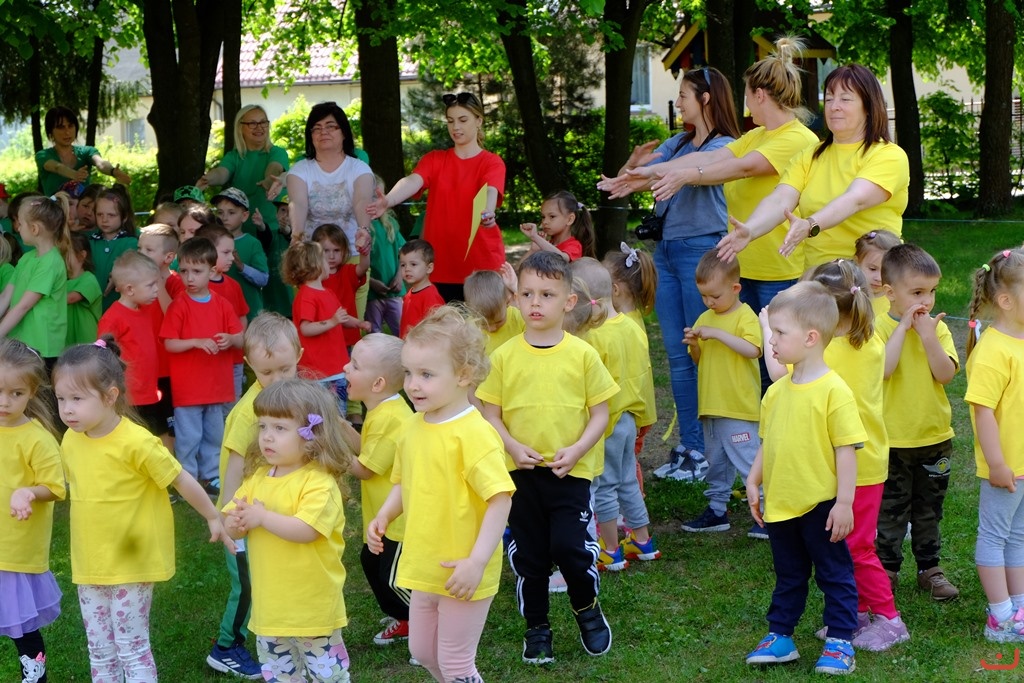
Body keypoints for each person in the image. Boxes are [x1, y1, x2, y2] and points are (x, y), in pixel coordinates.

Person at [55, 339, 234, 682]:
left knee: (131, 647)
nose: (67, 409)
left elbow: (180, 478)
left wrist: (213, 516)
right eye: (61, 399)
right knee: (99, 649)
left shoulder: (138, 442)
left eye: (77, 399)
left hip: (132, 561)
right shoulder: (71, 440)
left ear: (110, 396)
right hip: (90, 561)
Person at [600, 37, 817, 315]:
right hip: (743, 266)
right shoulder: (756, 135)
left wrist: (685, 176)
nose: (746, 103)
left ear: (760, 95)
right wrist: (652, 170)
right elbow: (711, 158)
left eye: (747, 95)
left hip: (778, 271)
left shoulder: (797, 138)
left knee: (776, 344)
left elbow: (742, 167)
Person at [477, 251, 618, 664]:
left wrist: (577, 450)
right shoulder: (503, 357)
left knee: (570, 547)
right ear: (515, 298)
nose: (535, 303)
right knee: (530, 555)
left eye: (546, 294)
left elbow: (601, 413)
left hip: (570, 473)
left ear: (568, 302)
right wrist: (510, 445)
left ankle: (586, 608)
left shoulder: (583, 355)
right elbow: (490, 413)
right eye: (527, 294)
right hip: (520, 474)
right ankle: (537, 627)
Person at [764, 260, 910, 650]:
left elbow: (780, 375)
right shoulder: (868, 340)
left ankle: (890, 618)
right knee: (846, 544)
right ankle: (856, 614)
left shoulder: (835, 352)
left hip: (855, 466)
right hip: (860, 461)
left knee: (856, 546)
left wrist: (766, 328)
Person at [607, 66, 741, 482]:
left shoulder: (725, 146)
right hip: (665, 253)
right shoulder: (677, 142)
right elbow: (641, 176)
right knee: (677, 355)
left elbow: (686, 169)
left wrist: (647, 173)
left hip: (701, 253)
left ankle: (713, 453)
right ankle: (691, 447)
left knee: (703, 352)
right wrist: (632, 169)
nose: (678, 101)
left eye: (684, 95)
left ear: (705, 98)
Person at [368, 306, 514, 682]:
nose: (413, 385)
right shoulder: (412, 427)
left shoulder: (475, 434)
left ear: (463, 375)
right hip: (424, 563)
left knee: (456, 662)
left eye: (427, 375)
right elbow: (404, 482)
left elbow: (500, 500)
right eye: (409, 373)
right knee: (423, 652)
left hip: (464, 568)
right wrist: (384, 515)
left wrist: (476, 562)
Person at [745, 282, 863, 675]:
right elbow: (770, 441)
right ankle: (780, 636)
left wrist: (844, 503)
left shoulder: (834, 392)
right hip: (781, 504)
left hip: (822, 505)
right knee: (789, 575)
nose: (772, 341)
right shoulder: (776, 393)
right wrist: (753, 479)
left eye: (780, 332)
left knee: (834, 574)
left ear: (811, 338)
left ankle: (840, 640)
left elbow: (846, 450)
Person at [223, 379, 355, 682]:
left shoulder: (318, 483)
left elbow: (306, 530)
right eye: (263, 426)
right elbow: (234, 520)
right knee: (280, 674)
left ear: (311, 435)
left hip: (312, 608)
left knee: (327, 675)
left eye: (280, 428)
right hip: (271, 608)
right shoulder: (258, 478)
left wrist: (262, 517)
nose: (267, 436)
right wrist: (235, 523)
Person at [718, 64, 910, 270]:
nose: (834, 106)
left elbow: (855, 199)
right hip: (819, 280)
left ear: (868, 106)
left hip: (873, 281)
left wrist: (810, 224)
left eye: (845, 99)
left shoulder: (889, 155)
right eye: (829, 99)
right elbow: (780, 199)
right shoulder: (810, 155)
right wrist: (751, 230)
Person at [207, 312, 302, 679]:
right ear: (249, 365)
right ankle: (227, 646)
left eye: (285, 369)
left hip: (266, 509)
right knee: (246, 585)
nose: (277, 379)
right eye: (267, 372)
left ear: (299, 356)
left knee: (265, 578)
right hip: (241, 515)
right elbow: (234, 466)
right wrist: (229, 518)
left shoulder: (288, 399)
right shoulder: (251, 413)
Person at [875, 244, 960, 601]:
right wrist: (904, 330)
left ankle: (930, 569)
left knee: (928, 511)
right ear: (890, 292)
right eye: (917, 293)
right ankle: (886, 571)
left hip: (933, 437)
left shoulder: (937, 330)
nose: (926, 301)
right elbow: (884, 369)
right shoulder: (877, 328)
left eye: (932, 291)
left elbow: (945, 375)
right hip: (891, 441)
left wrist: (927, 336)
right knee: (890, 512)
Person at [367, 92, 506, 302]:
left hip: (481, 267)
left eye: (463, 120)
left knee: (483, 324)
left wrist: (488, 212)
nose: (455, 127)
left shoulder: (491, 162)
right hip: (439, 266)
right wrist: (388, 200)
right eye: (450, 121)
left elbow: (490, 190)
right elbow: (412, 181)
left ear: (479, 121)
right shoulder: (434, 159)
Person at [570, 258, 659, 572]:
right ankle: (643, 541)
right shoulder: (632, 326)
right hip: (629, 419)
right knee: (627, 481)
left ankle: (610, 550)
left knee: (605, 486)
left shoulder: (591, 337)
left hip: (605, 425)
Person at [965, 248, 1024, 641]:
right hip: (1004, 464)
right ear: (1005, 300)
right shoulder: (992, 351)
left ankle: (1018, 606)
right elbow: (983, 412)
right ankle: (999, 616)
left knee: (1018, 535)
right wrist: (997, 464)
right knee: (995, 535)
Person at [680, 251, 762, 531]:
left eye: (715, 296)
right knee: (716, 462)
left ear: (735, 288)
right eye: (704, 296)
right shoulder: (705, 317)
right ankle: (717, 510)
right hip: (712, 405)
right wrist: (695, 345)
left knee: (748, 460)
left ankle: (767, 512)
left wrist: (716, 334)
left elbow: (753, 350)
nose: (709, 302)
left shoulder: (745, 316)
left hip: (738, 406)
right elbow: (700, 360)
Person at [344, 334, 415, 650]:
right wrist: (339, 425)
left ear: (377, 383)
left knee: (393, 576)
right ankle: (405, 618)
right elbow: (368, 451)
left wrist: (329, 449)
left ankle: (428, 624)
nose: (345, 368)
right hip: (383, 516)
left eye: (355, 365)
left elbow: (365, 468)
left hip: (399, 519)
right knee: (372, 563)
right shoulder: (380, 408)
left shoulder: (391, 418)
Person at [0, 339, 64, 683]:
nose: (4, 401)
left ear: (32, 392)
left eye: (16, 393)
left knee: (20, 622)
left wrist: (28, 492)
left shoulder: (37, 439)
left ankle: (35, 675)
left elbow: (55, 487)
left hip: (14, 549)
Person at [159, 237, 244, 495]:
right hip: (188, 389)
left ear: (212, 270)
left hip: (216, 386)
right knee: (188, 436)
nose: (189, 278)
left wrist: (230, 340)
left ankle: (211, 475)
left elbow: (241, 338)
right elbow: (169, 343)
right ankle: (188, 478)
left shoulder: (222, 304)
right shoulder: (179, 305)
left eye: (197, 271)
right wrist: (195, 342)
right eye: (184, 271)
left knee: (214, 435)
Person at [287, 102, 373, 248]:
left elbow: (362, 201)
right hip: (312, 254)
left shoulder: (360, 168)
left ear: (344, 132)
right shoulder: (299, 170)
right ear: (310, 135)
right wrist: (297, 237)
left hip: (353, 250)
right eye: (317, 128)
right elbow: (298, 204)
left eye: (330, 126)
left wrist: (364, 230)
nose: (323, 132)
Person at [281, 241, 351, 408]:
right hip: (317, 373)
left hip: (336, 368)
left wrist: (360, 323)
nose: (329, 263)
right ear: (315, 264)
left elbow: (341, 317)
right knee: (318, 415)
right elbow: (306, 328)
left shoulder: (328, 292)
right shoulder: (306, 295)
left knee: (338, 413)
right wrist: (333, 321)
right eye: (324, 259)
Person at [0, 195, 69, 360]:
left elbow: (24, 306)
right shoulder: (27, 258)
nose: (17, 228)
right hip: (22, 344)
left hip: (42, 347)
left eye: (20, 224)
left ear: (34, 229)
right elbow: (6, 296)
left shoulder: (50, 262)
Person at [195, 225, 251, 402]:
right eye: (226, 252)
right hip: (206, 362)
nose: (232, 258)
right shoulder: (195, 288)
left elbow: (242, 317)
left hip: (233, 360)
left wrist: (236, 339)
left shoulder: (234, 285)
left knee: (231, 406)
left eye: (232, 253)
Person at [34, 106, 131, 196]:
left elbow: (100, 163)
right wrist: (74, 175)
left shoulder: (86, 151)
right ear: (50, 132)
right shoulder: (42, 155)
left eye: (70, 126)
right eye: (61, 127)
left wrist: (113, 171)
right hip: (55, 209)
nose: (67, 132)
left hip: (84, 209)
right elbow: (56, 167)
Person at [213, 187, 269, 321]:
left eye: (231, 212)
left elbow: (263, 279)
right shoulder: (211, 242)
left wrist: (242, 267)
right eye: (220, 212)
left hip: (250, 316)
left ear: (244, 216)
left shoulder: (252, 243)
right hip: (218, 315)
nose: (224, 217)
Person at [313, 223, 371, 348]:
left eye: (336, 250)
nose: (331, 256)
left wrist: (364, 252)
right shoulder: (312, 277)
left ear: (344, 251)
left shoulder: (347, 271)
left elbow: (363, 267)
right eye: (325, 251)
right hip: (324, 337)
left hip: (347, 338)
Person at [366, 175, 406, 334]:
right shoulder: (359, 227)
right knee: (374, 334)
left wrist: (400, 276)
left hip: (394, 291)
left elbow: (404, 253)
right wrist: (370, 282)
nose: (376, 201)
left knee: (402, 331)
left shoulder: (391, 224)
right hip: (371, 293)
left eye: (380, 195)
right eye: (371, 196)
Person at [90, 188, 139, 311]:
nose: (104, 220)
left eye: (111, 215)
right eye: (100, 214)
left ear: (124, 217)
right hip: (90, 308)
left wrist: (116, 275)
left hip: (119, 308)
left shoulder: (131, 242)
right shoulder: (89, 241)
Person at [520, 191, 596, 262]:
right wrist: (533, 250)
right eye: (543, 217)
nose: (545, 222)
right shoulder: (547, 244)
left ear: (570, 219)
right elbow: (517, 269)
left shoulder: (574, 245)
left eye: (552, 216)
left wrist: (535, 237)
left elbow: (561, 259)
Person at [464, 267, 524, 356]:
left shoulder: (519, 318)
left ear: (507, 302)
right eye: (484, 324)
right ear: (469, 310)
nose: (492, 329)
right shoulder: (469, 328)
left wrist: (515, 287)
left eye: (499, 321)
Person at [398, 239, 445, 339]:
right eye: (403, 265)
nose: (407, 269)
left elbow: (437, 330)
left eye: (413, 264)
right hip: (408, 345)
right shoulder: (410, 293)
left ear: (429, 268)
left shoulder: (430, 296)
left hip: (421, 346)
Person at [854, 229, 902, 318]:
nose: (879, 278)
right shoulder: (847, 295)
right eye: (872, 269)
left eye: (885, 271)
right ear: (857, 262)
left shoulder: (898, 301)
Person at [65, 232, 102, 346]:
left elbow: (71, 298)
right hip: (68, 340)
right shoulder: (63, 281)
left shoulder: (89, 279)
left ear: (82, 255)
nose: (61, 257)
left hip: (87, 341)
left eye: (66, 253)